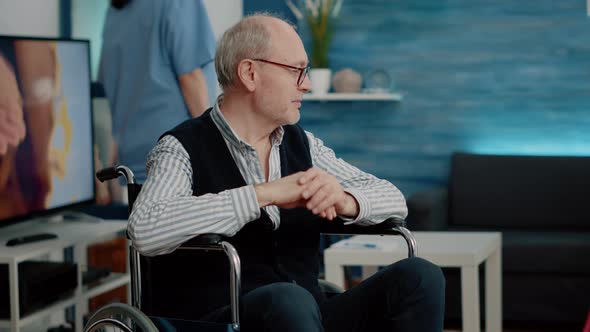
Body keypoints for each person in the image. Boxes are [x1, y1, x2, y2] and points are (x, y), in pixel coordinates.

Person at [128, 13, 445, 332]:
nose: (306, 84)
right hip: (223, 322)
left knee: (419, 277)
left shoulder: (303, 144)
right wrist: (264, 195)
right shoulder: (179, 148)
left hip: (307, 316)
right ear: (250, 73)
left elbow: (393, 199)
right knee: (288, 300)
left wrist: (344, 199)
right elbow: (146, 228)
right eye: (296, 71)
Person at [98, 0, 217, 182]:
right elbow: (190, 77)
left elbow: (113, 93)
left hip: (133, 165)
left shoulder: (113, 12)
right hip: (177, 159)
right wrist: (215, 150)